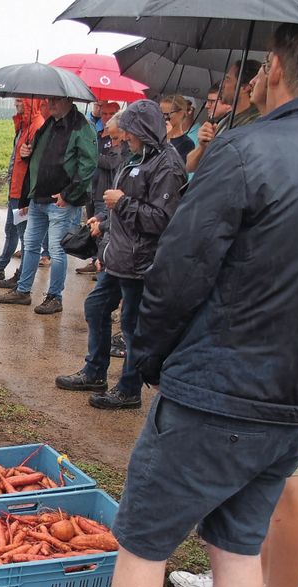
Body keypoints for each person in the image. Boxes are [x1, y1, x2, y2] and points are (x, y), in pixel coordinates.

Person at [61, 23, 298, 587]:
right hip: (294, 400)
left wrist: (150, 362)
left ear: (273, 68)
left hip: (213, 389)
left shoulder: (246, 151)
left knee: (144, 543)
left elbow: (175, 277)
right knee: (239, 550)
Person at [169, 49, 298, 587]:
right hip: (268, 331)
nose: (248, 82)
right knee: (247, 465)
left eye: (257, 71)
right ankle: (238, 579)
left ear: (278, 68)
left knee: (287, 471)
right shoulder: (253, 137)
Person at [54, 99, 186, 410]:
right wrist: (105, 220)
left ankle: (129, 389)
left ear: (144, 131)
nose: (124, 138)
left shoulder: (167, 166)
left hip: (142, 263)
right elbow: (127, 206)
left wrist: (121, 203)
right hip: (120, 257)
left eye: (129, 132)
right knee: (97, 306)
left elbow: (163, 219)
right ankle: (95, 371)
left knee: (131, 326)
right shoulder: (136, 157)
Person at [0, 95, 98, 314]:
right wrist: (26, 155)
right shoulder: (49, 124)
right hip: (38, 198)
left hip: (61, 202)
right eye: (48, 101)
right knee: (30, 246)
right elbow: (36, 158)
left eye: (55, 101)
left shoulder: (81, 127)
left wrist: (69, 194)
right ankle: (23, 290)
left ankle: (54, 297)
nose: (49, 105)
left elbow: (88, 165)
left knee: (57, 250)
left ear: (69, 101)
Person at [0, 97, 45, 282]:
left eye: (19, 100)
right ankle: (0, 266)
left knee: (25, 235)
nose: (15, 103)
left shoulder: (36, 126)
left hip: (23, 190)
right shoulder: (24, 124)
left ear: (29, 102)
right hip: (16, 187)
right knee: (11, 229)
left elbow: (37, 161)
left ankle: (22, 275)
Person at [186, 59, 261, 172]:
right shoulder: (225, 120)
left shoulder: (255, 124)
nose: (222, 85)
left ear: (245, 87)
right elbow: (190, 166)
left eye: (228, 79)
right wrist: (203, 146)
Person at [77, 101, 122, 276]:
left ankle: (101, 262)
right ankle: (95, 259)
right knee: (93, 224)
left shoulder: (118, 142)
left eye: (111, 114)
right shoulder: (97, 135)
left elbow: (111, 162)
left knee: (104, 227)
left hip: (106, 190)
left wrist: (92, 153)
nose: (107, 117)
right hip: (92, 188)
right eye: (104, 114)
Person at [161, 94, 196, 163]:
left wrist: (167, 139)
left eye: (167, 114)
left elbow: (174, 167)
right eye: (160, 113)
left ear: (181, 113)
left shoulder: (187, 144)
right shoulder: (156, 137)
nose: (163, 118)